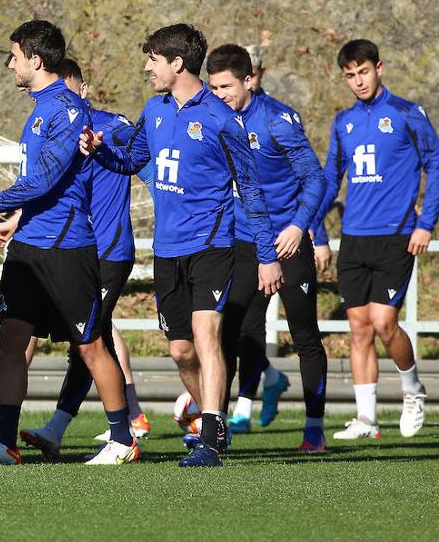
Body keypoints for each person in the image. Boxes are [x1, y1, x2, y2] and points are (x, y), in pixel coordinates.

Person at [81, 23, 281, 467]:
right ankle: (213, 421)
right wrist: (98, 150)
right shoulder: (154, 111)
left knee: (207, 335)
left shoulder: (221, 118)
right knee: (180, 348)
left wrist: (267, 256)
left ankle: (210, 438)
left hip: (212, 244)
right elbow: (131, 160)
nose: (146, 66)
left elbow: (251, 191)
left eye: (153, 58)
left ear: (176, 63)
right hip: (167, 249)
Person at [0, 20, 138, 467]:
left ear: (35, 60)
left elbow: (43, 180)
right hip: (29, 245)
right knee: (13, 340)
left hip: (65, 246)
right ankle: (6, 443)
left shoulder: (67, 109)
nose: (10, 64)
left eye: (14, 56)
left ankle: (122, 439)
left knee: (90, 345)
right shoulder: (40, 106)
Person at [17, 58, 153, 459]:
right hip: (75, 251)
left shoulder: (112, 125)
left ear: (82, 86)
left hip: (108, 251)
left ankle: (117, 431)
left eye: (69, 86)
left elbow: (142, 156)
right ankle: (126, 420)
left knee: (88, 339)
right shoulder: (58, 131)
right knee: (90, 337)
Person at [207, 43, 330, 451]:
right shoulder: (212, 121)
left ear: (249, 80)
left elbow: (316, 180)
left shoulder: (278, 120)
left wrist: (300, 227)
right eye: (214, 86)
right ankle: (216, 430)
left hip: (287, 242)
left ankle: (313, 427)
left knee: (304, 335)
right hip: (243, 241)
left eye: (226, 86)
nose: (219, 94)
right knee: (229, 332)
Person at [312, 39, 435, 439]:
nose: (358, 81)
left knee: (384, 323)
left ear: (379, 67)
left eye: (363, 72)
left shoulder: (406, 113)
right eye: (350, 75)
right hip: (355, 239)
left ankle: (413, 389)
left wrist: (426, 223)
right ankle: (366, 418)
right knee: (360, 328)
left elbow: (435, 166)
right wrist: (313, 222)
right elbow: (332, 177)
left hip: (396, 236)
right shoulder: (343, 121)